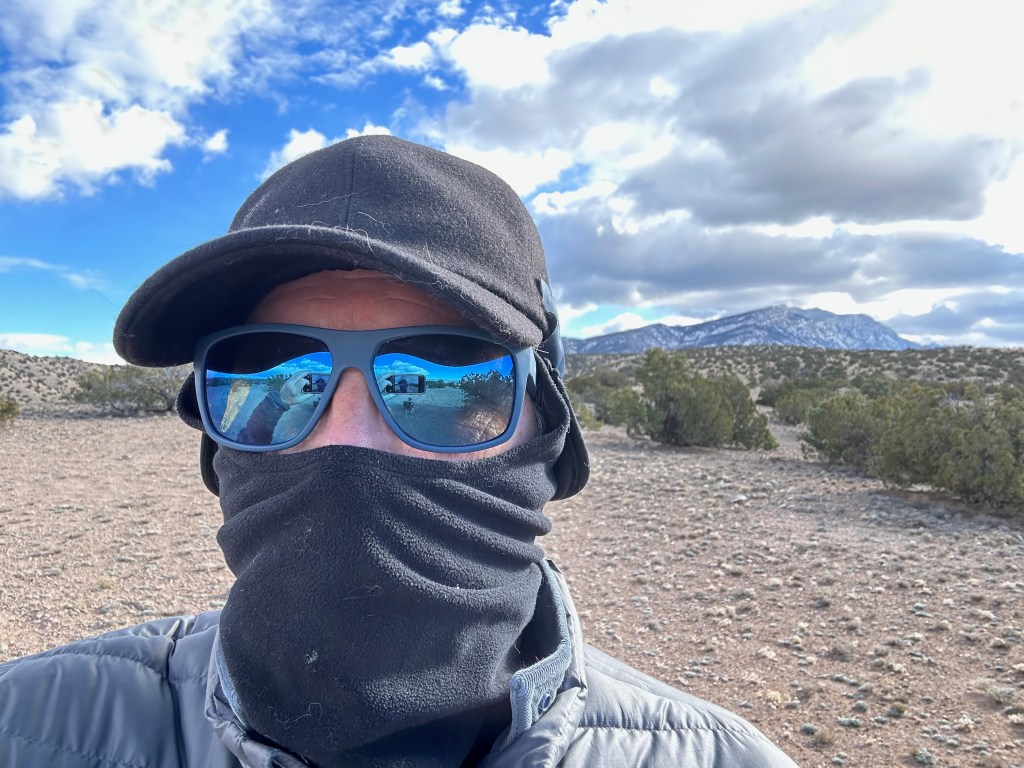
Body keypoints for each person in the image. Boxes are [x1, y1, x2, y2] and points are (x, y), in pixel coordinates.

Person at [0, 135, 798, 767]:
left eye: (447, 382)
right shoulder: (29, 726)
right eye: (282, 382)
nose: (345, 443)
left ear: (548, 432)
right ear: (216, 445)